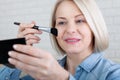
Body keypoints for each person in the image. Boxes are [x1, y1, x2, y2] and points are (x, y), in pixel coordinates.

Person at [0, 0, 120, 80]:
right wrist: (16, 52)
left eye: (80, 20)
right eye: (62, 22)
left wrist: (62, 78)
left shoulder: (113, 74)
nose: (70, 30)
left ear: (95, 26)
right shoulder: (45, 70)